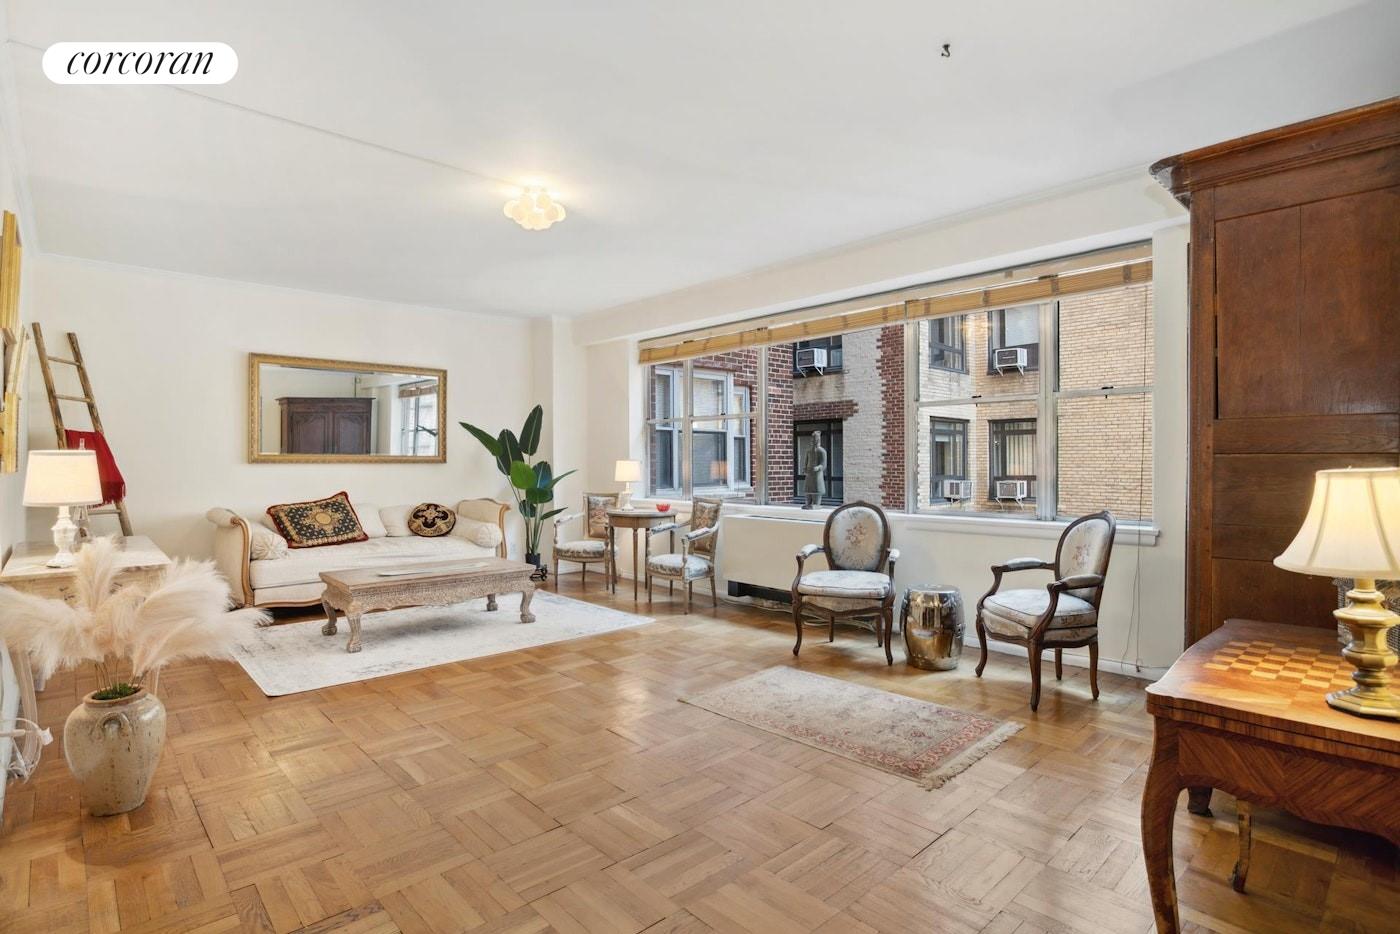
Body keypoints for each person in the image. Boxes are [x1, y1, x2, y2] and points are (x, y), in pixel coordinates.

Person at [802, 430, 827, 509]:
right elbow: (806, 461)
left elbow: (824, 464)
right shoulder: (808, 451)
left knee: (816, 489)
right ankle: (808, 503)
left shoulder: (822, 451)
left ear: (818, 440)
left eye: (815, 440)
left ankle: (816, 504)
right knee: (808, 489)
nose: (813, 441)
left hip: (817, 474)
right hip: (809, 473)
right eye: (812, 440)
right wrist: (805, 468)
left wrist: (818, 467)